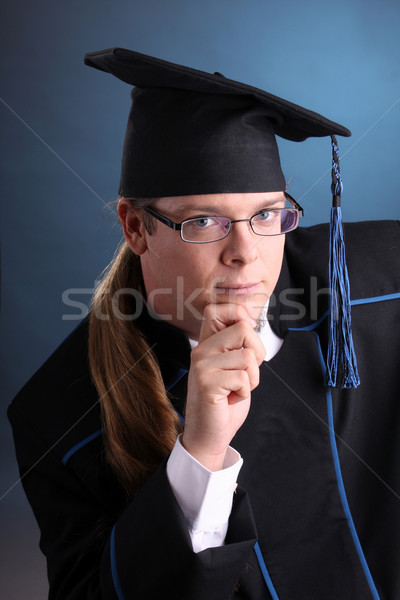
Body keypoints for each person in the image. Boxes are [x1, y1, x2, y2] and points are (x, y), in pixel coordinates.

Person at [8, 48, 400, 600]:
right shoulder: (61, 415)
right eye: (205, 221)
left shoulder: (383, 283)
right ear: (137, 227)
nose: (245, 252)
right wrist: (200, 456)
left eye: (266, 215)